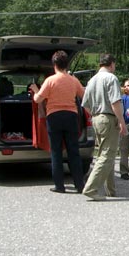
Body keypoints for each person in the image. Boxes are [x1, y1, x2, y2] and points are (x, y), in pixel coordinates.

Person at [30, 50, 85, 194]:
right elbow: (83, 95)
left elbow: (38, 99)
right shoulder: (73, 80)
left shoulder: (50, 80)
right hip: (71, 116)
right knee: (74, 151)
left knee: (56, 152)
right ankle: (80, 185)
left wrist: (36, 90)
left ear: (54, 64)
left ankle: (59, 186)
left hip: (54, 117)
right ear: (66, 64)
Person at [81, 54, 127, 200]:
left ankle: (111, 190)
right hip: (108, 118)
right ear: (112, 64)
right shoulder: (111, 78)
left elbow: (85, 104)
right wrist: (121, 121)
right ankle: (90, 188)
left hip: (96, 118)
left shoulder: (92, 80)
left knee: (105, 154)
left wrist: (96, 115)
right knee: (107, 155)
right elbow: (116, 102)